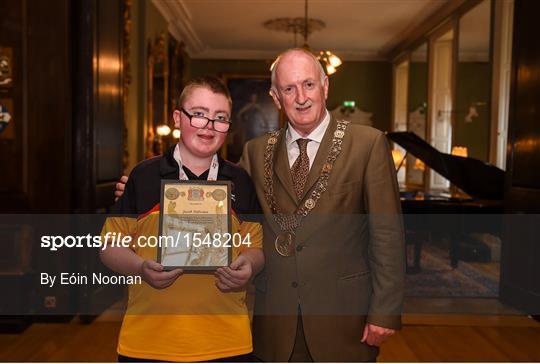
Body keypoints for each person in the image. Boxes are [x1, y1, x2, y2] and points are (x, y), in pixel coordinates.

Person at [115, 49, 404, 362]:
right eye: (289, 89)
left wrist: (384, 312)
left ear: (325, 87)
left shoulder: (368, 144)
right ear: (276, 97)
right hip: (274, 319)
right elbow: (215, 198)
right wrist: (139, 190)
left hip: (343, 318)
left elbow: (387, 234)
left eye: (308, 85)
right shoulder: (256, 152)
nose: (301, 97)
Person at [101, 75, 264, 362]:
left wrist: (248, 266)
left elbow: (256, 248)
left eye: (220, 118)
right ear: (178, 118)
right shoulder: (143, 176)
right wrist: (140, 268)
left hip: (227, 342)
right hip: (148, 343)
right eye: (198, 115)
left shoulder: (241, 181)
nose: (209, 126)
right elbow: (109, 248)